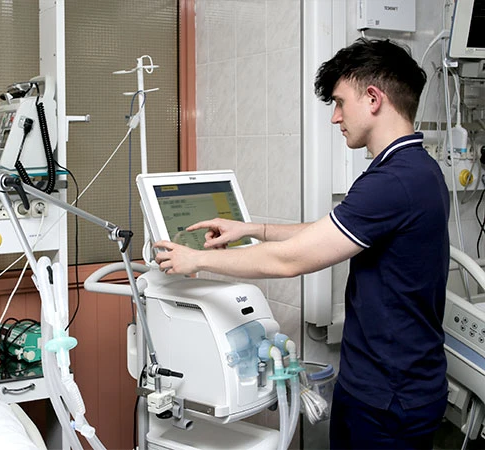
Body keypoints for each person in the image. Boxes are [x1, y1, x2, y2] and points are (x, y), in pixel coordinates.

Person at [153, 38, 450, 449]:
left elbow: (291, 261)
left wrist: (196, 260)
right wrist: (251, 229)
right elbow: (329, 232)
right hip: (399, 384)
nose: (335, 117)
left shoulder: (394, 181)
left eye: (340, 102)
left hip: (388, 396)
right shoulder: (418, 169)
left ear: (373, 98)